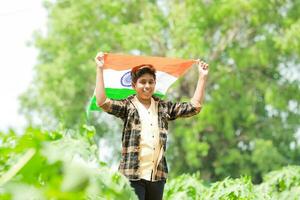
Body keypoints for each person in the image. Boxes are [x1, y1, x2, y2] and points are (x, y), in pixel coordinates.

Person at [94, 52, 209, 200]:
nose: (147, 86)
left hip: (157, 176)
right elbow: (102, 102)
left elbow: (194, 107)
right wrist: (100, 69)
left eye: (150, 82)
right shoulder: (128, 106)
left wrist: (202, 77)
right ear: (134, 85)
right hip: (132, 175)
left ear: (155, 84)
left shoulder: (163, 107)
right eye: (142, 82)